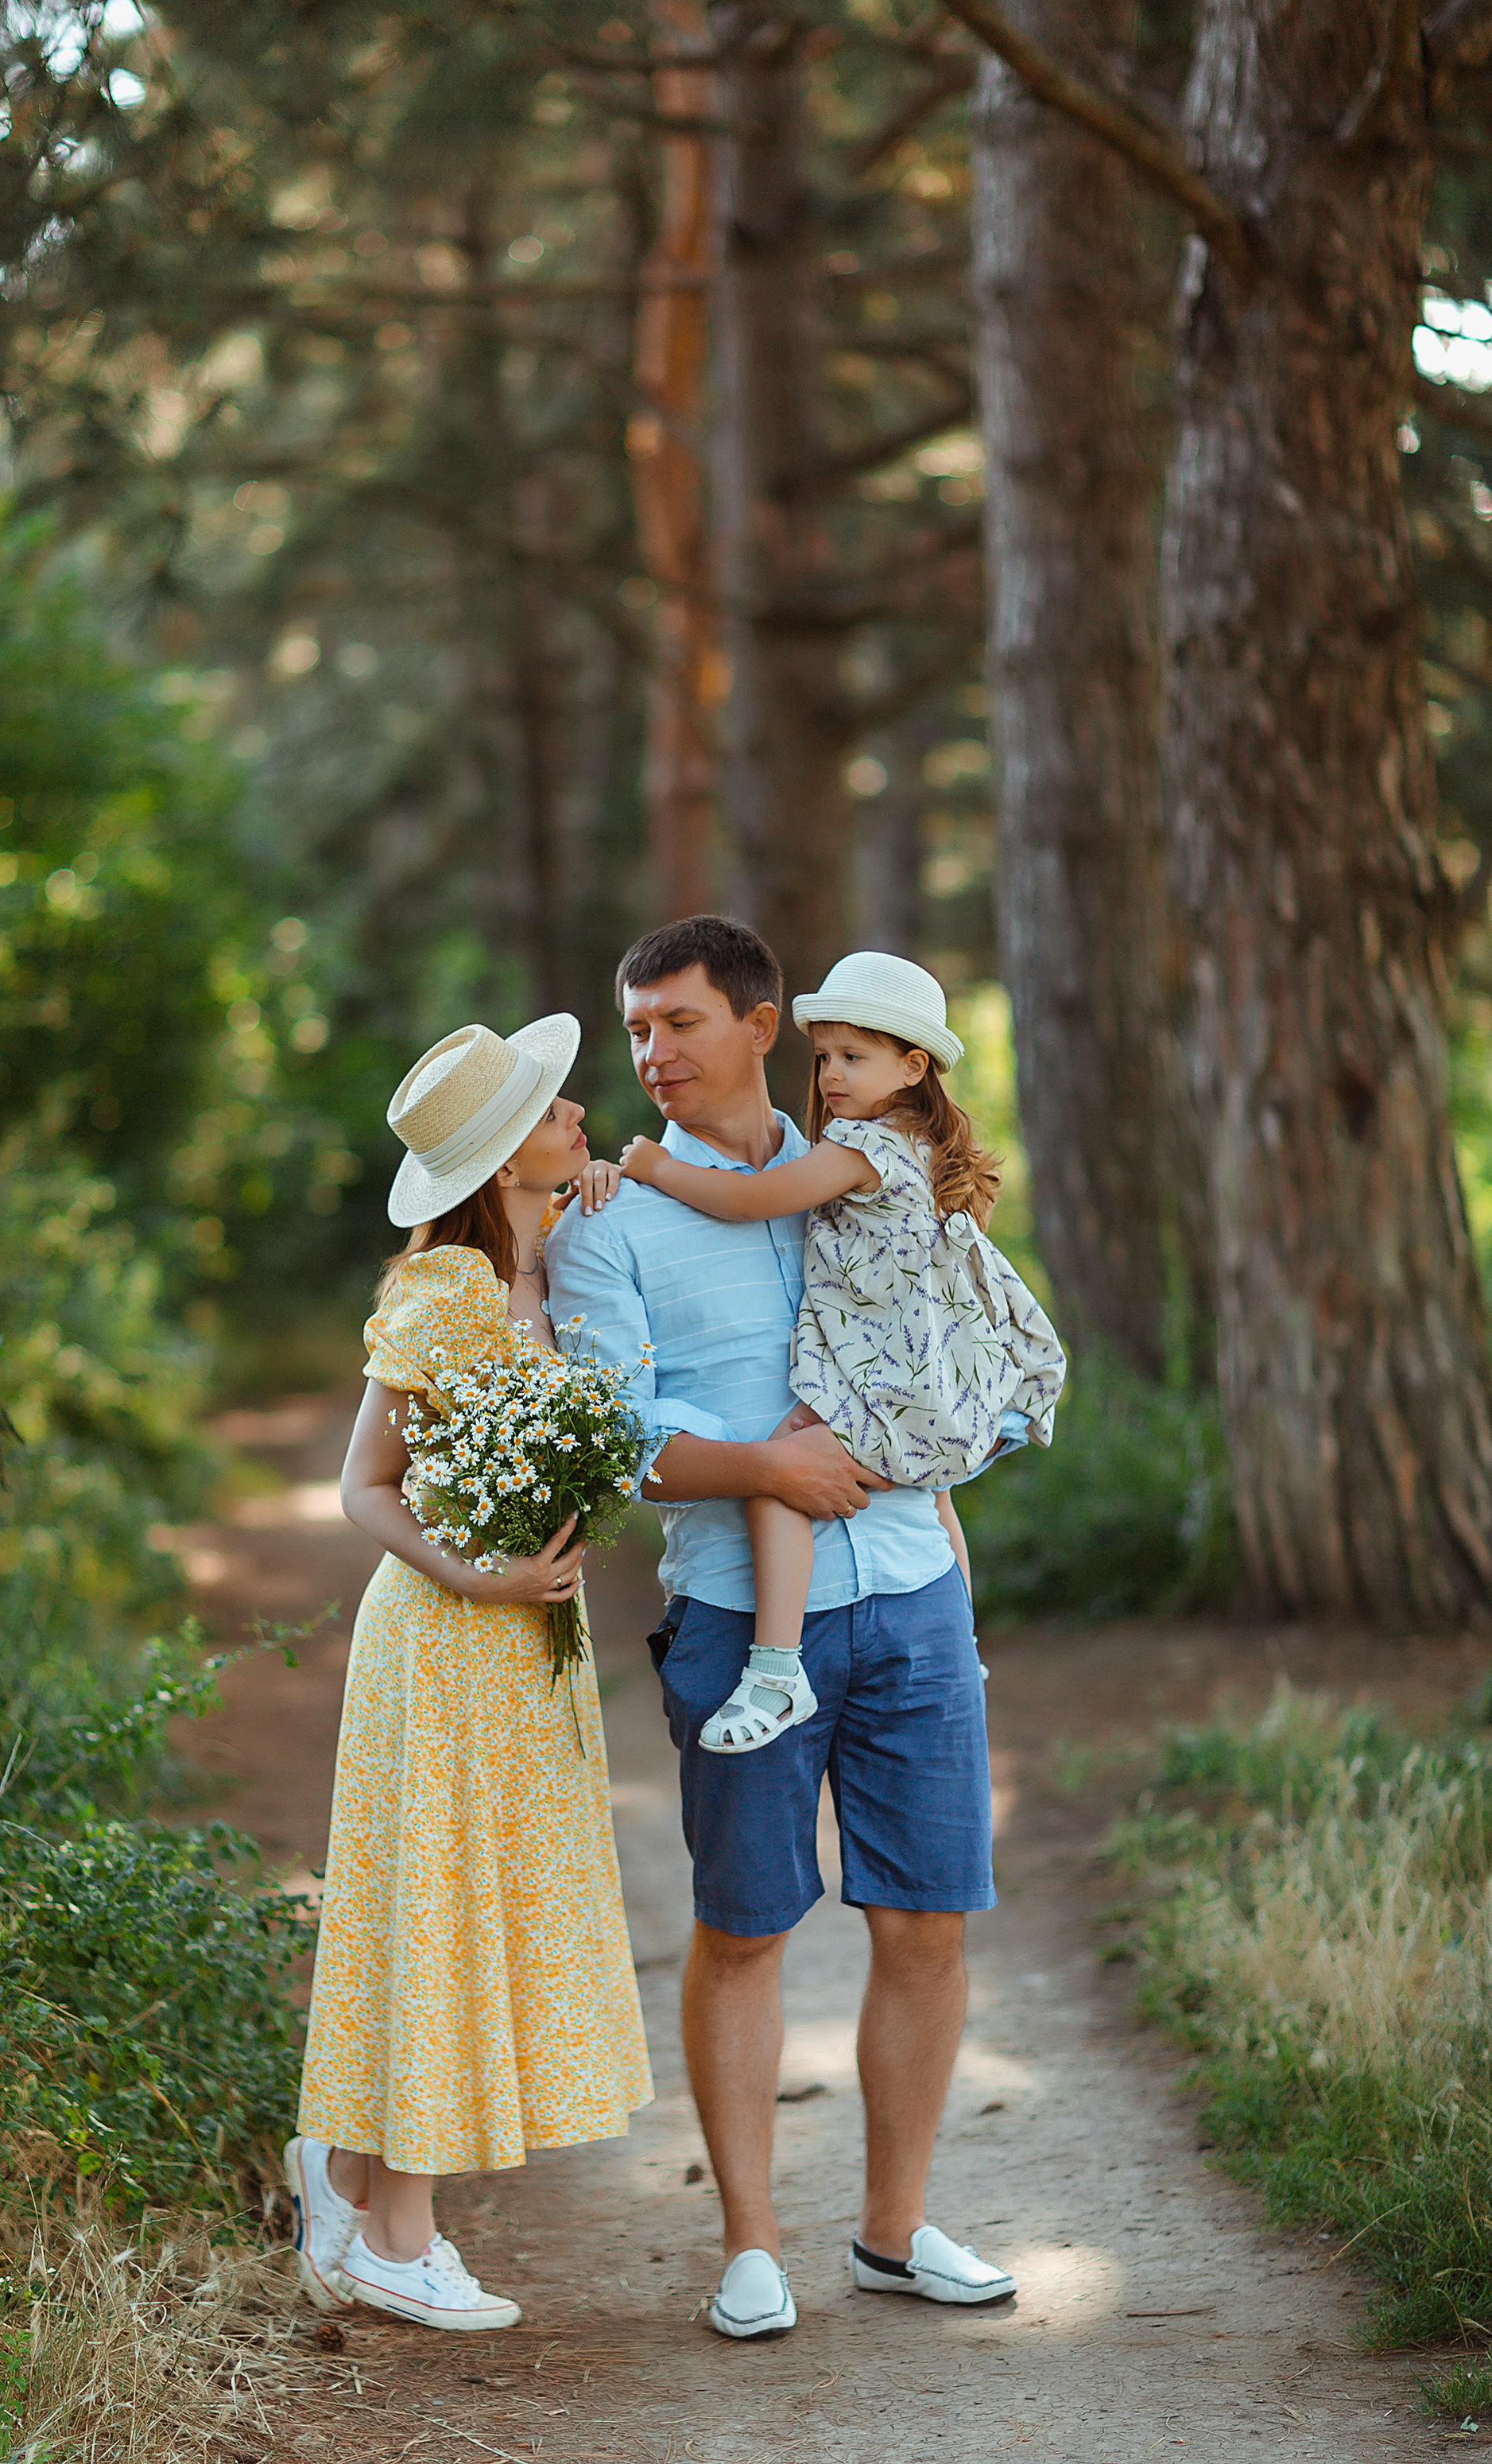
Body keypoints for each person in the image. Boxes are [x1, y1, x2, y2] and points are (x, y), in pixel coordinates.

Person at [544, 916, 1020, 2342]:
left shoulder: (868, 1174)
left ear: (763, 1027)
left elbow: (946, 1349)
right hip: (737, 1615)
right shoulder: (607, 1222)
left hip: (914, 1593)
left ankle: (894, 2228)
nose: (651, 1052)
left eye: (678, 1021)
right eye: (636, 1029)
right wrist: (769, 1466)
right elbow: (618, 1440)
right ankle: (751, 2243)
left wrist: (948, 1520)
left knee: (928, 1920)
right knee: (745, 1924)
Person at [286, 1018, 652, 2333]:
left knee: (484, 1908)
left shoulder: (562, 1258)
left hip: (529, 1643)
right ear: (504, 1159)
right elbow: (363, 1484)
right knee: (439, 1909)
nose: (580, 1115)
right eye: (555, 1111)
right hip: (446, 1635)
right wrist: (476, 1575)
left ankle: (344, 2177)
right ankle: (398, 2236)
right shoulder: (445, 1292)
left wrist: (596, 1201)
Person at [614, 950, 1064, 1755]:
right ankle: (962, 1644)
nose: (830, 1075)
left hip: (879, 1367)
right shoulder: (921, 1145)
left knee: (779, 1472)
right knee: (936, 1500)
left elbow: (753, 1198)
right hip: (920, 1366)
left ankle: (775, 1668)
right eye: (824, 1057)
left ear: (912, 1066)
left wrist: (657, 1165)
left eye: (853, 1057)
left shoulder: (861, 1148)